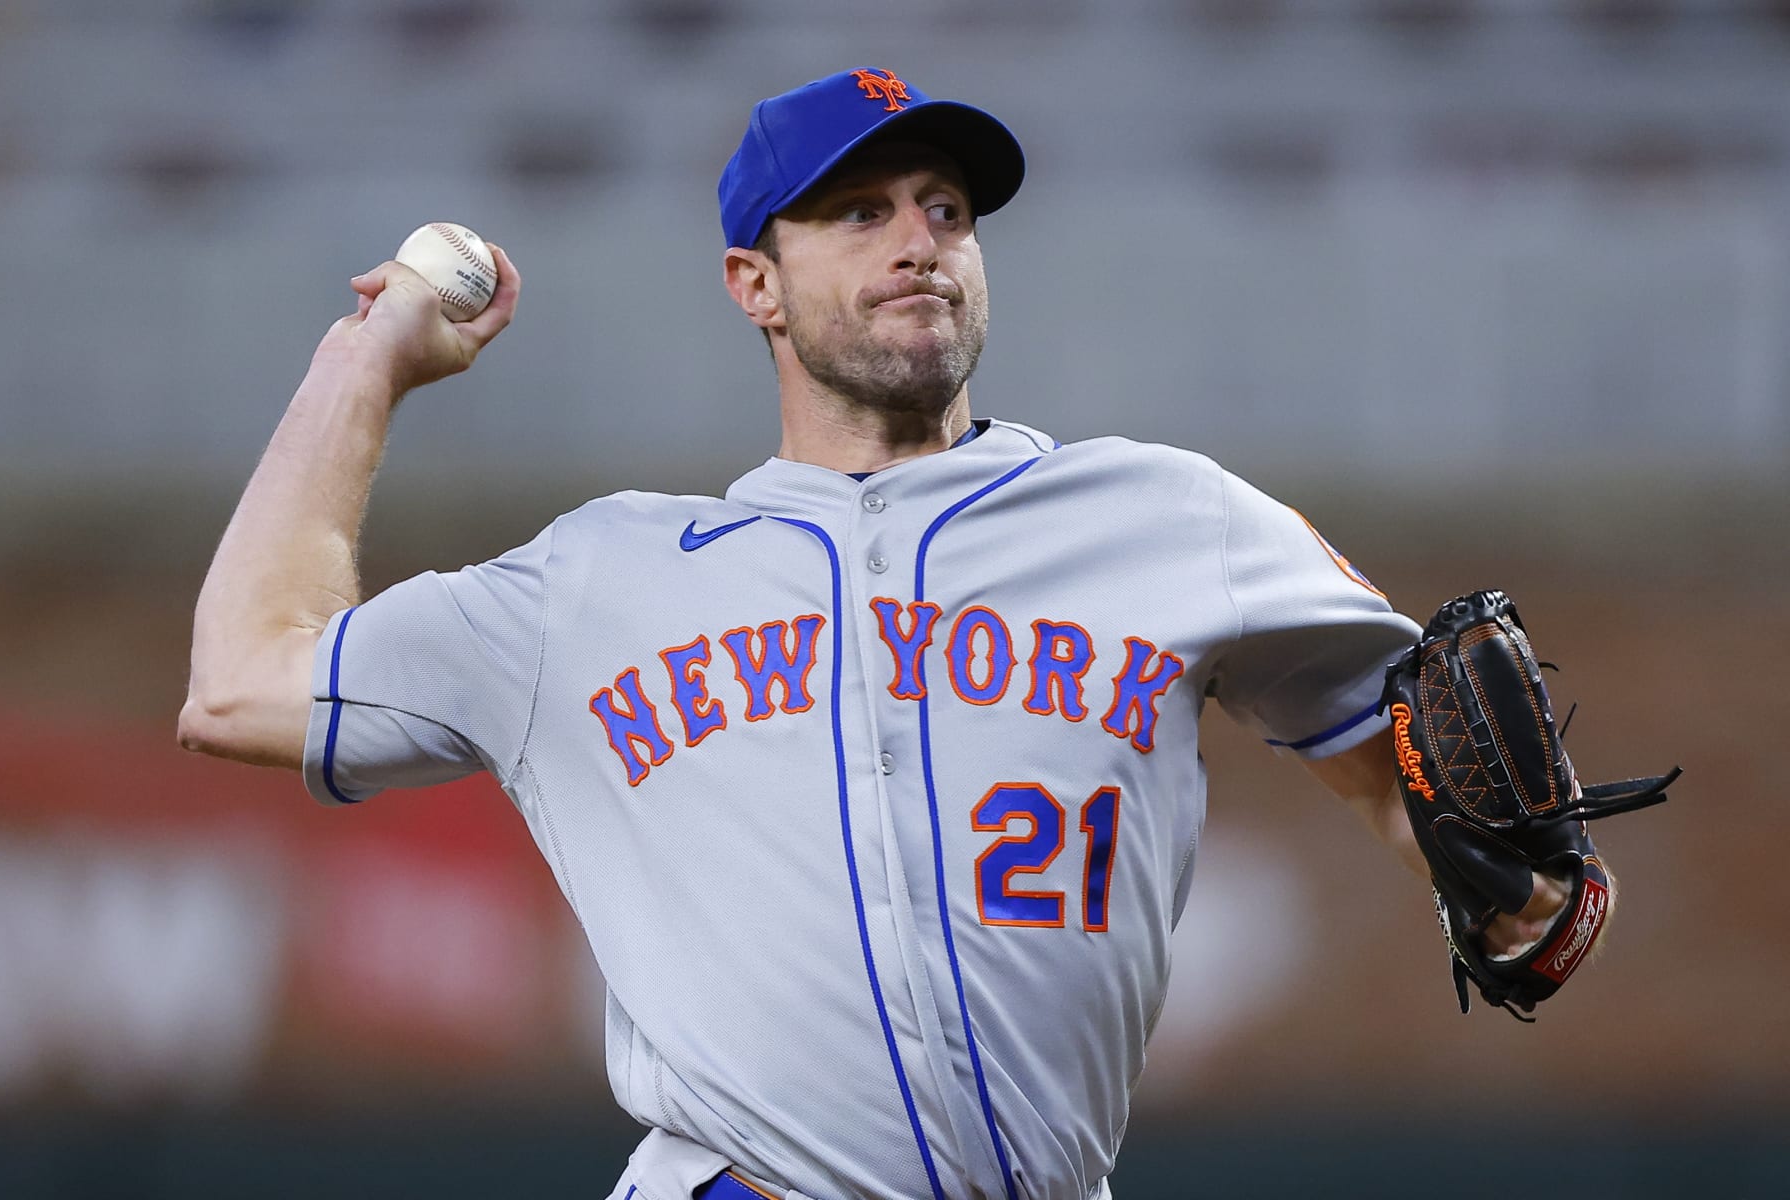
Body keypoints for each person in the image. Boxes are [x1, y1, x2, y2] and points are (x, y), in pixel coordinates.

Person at [180, 67, 1570, 1200]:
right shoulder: (599, 581)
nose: (920, 241)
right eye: (857, 213)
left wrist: (1528, 901)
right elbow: (242, 682)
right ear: (754, 284)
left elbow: (1430, 772)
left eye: (947, 209)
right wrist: (363, 364)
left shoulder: (1167, 518)